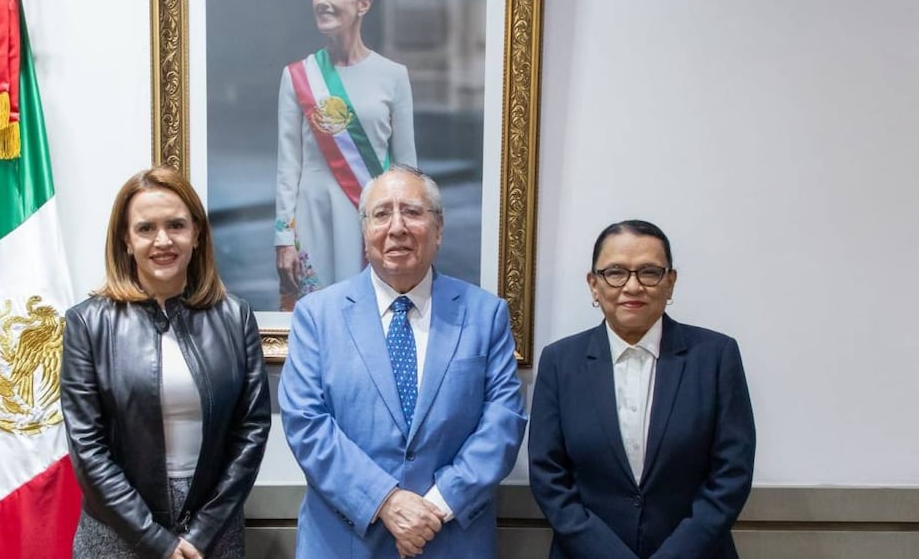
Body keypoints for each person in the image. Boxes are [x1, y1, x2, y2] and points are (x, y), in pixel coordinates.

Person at [279, 165, 526, 558]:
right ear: (365, 233)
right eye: (381, 214)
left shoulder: (485, 314)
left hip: (449, 539)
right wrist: (386, 501)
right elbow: (307, 425)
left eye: (412, 212)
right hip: (345, 542)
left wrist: (436, 508)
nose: (396, 228)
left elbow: (504, 423)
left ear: (439, 229)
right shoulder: (316, 315)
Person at [61, 167, 271, 559]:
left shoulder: (235, 316)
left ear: (197, 234)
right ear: (126, 239)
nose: (163, 240)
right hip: (119, 529)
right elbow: (88, 449)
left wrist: (202, 532)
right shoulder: (88, 324)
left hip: (212, 531)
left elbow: (252, 430)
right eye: (145, 228)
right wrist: (156, 541)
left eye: (176, 225)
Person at [528, 220, 755, 558]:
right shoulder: (561, 361)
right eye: (615, 272)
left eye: (649, 272)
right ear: (593, 284)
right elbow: (549, 475)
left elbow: (731, 473)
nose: (632, 287)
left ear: (670, 282)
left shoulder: (715, 356)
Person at [275, 0, 417, 310]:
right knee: (316, 316)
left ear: (363, 3)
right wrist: (283, 239)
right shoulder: (297, 76)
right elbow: (287, 165)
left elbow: (407, 169)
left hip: (374, 220)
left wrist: (410, 228)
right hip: (314, 215)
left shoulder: (393, 75)